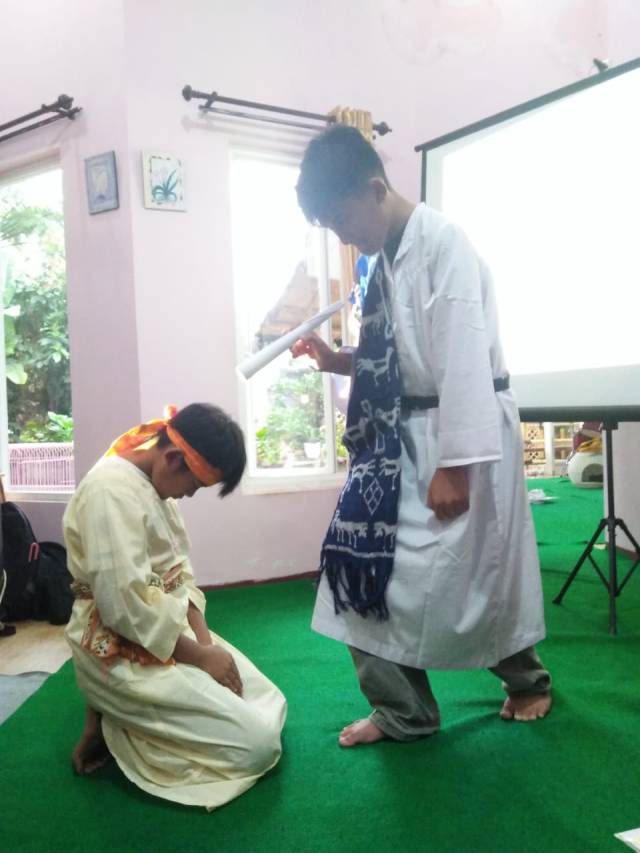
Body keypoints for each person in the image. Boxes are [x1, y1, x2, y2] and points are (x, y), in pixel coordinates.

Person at [292, 125, 551, 748]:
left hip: (460, 433)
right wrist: (339, 361)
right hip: (397, 441)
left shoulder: (443, 244)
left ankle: (527, 682)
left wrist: (454, 464)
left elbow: (462, 357)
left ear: (375, 189)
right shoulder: (381, 259)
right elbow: (402, 356)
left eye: (340, 218)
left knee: (478, 575)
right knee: (357, 568)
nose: (341, 236)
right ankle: (404, 711)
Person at [64, 403, 286, 808]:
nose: (189, 494)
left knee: (269, 700)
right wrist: (200, 658)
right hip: (115, 648)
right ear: (172, 458)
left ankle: (129, 718)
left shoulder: (156, 485)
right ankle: (118, 725)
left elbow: (179, 576)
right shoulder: (109, 492)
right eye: (195, 485)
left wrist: (207, 649)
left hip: (167, 634)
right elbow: (122, 609)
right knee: (259, 746)